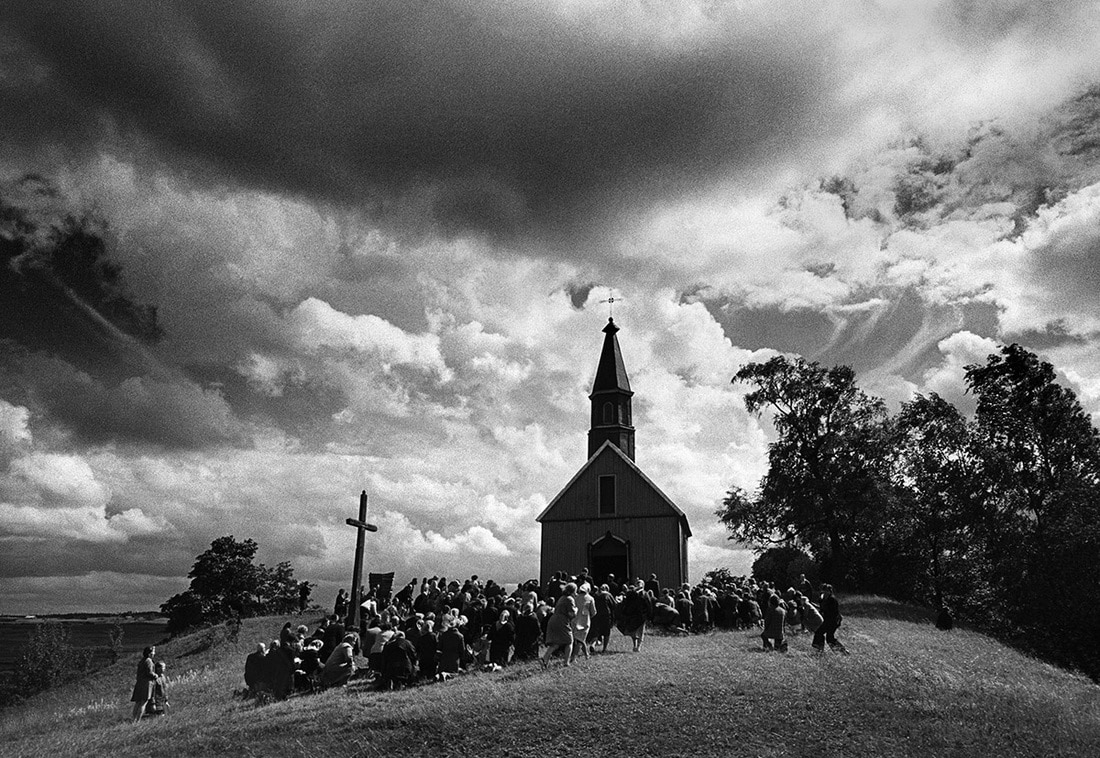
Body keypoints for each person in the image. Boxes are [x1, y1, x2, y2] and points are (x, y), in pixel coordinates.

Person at [541, 582, 577, 668]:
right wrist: (576, 610)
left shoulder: (562, 598)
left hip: (553, 620)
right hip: (562, 621)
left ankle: (545, 658)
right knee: (569, 641)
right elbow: (571, 614)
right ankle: (566, 662)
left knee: (555, 643)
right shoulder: (570, 599)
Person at [616, 580, 651, 652]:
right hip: (636, 615)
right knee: (635, 631)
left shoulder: (642, 593)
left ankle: (637, 646)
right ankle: (636, 646)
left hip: (639, 615)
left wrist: (649, 615)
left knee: (638, 631)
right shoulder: (634, 593)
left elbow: (648, 605)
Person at [813, 584, 847, 653]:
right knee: (819, 633)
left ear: (830, 592)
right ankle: (820, 649)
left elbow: (833, 612)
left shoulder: (832, 600)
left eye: (827, 591)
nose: (825, 592)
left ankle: (842, 651)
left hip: (833, 621)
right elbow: (822, 609)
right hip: (827, 620)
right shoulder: (823, 599)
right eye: (824, 590)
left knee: (829, 638)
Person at [569, 584, 596, 663]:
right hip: (584, 621)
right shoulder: (590, 598)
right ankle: (574, 657)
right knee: (580, 639)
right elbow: (593, 612)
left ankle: (586, 655)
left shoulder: (575, 597)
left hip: (574, 620)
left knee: (579, 639)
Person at [130, 646, 157, 722]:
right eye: (153, 652)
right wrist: (155, 675)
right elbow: (149, 672)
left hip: (139, 683)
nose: (154, 654)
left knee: (138, 702)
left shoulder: (142, 661)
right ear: (149, 653)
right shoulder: (149, 661)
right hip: (146, 684)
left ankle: (133, 719)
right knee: (143, 702)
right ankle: (138, 720)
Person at [590, 585, 616, 653]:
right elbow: (614, 605)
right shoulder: (608, 595)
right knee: (606, 633)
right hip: (606, 615)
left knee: (596, 632)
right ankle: (604, 648)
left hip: (596, 615)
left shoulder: (595, 595)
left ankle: (593, 644)